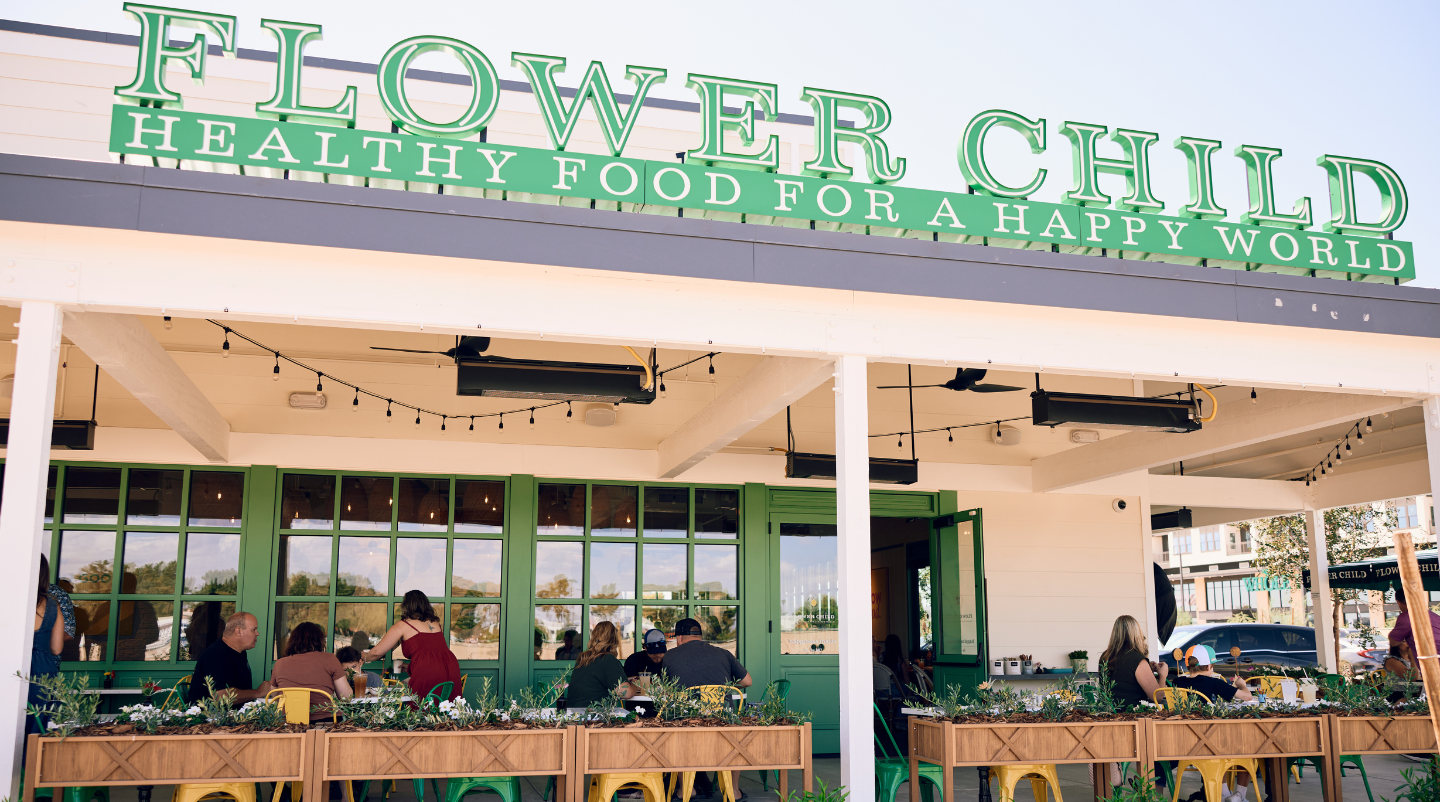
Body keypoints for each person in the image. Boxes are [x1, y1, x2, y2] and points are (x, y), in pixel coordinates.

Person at [660, 618, 752, 802]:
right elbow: (747, 681)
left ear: (679, 638)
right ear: (700, 637)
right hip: (722, 724)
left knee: (675, 732)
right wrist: (723, 688)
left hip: (687, 727)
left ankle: (685, 790)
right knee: (735, 737)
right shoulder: (723, 653)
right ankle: (733, 791)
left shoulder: (670, 656)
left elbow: (666, 691)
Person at [1173, 645, 1254, 802]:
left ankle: (1224, 792)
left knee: (1219, 741)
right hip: (1210, 743)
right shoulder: (1213, 682)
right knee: (1248, 743)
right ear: (1209, 666)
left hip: (1183, 741)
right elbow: (1247, 697)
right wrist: (1241, 684)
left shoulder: (1177, 682)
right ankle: (1239, 795)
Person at [362, 590, 461, 701]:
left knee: (421, 706)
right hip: (450, 666)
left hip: (428, 671)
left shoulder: (404, 624)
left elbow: (376, 653)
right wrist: (409, 667)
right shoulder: (435, 623)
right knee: (445, 705)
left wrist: (363, 657)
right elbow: (433, 655)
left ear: (406, 606)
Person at [271, 622, 353, 718]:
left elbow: (275, 697)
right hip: (327, 720)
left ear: (292, 641)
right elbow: (346, 697)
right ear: (320, 641)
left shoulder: (279, 664)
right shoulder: (329, 659)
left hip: (290, 721)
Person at [189, 611, 274, 703]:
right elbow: (221, 696)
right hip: (209, 715)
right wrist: (258, 692)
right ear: (238, 631)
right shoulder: (216, 654)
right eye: (253, 629)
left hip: (234, 714)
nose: (257, 633)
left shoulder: (239, 652)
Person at [29, 559, 65, 734]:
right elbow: (56, 649)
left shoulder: (11, 601)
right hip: (44, 670)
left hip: (15, 665)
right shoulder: (53, 605)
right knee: (40, 726)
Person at [1099, 614, 1167, 708]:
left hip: (1109, 715)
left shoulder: (1105, 656)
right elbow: (1157, 697)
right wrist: (1162, 675)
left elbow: (1124, 676)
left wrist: (1147, 668)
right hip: (1132, 716)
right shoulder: (1136, 659)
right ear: (1136, 634)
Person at [566, 621, 637, 708]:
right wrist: (636, 685)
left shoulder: (584, 658)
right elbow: (625, 693)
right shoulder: (607, 659)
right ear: (614, 639)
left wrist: (626, 680)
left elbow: (593, 682)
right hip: (592, 716)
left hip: (573, 713)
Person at [1387, 595, 1440, 679]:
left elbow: (1393, 642)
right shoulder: (1434, 616)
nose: (1408, 644)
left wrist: (1413, 654)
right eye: (1405, 641)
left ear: (1399, 603)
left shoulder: (1407, 617)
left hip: (1434, 668)